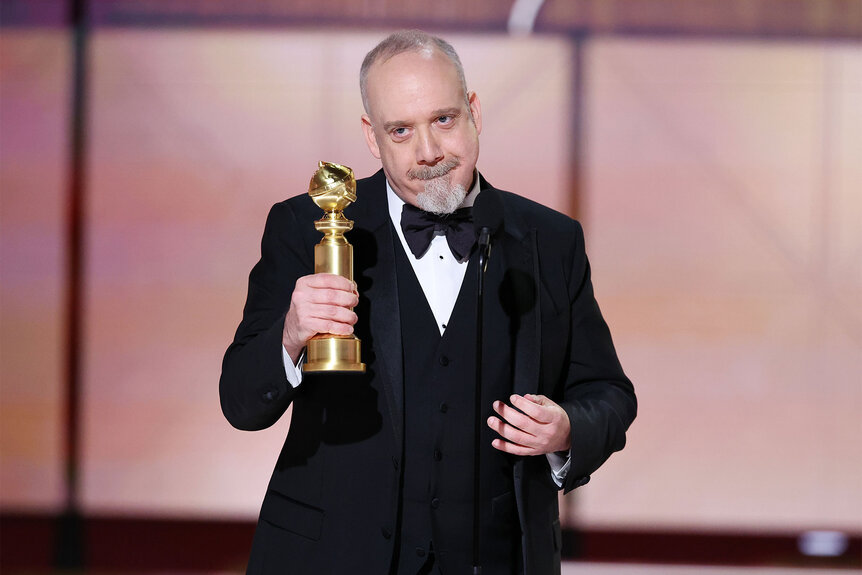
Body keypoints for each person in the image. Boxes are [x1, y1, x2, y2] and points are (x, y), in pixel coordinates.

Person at [220, 29, 636, 575]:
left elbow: (608, 393)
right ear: (372, 137)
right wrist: (288, 336)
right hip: (329, 558)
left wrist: (566, 431)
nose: (429, 152)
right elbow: (241, 402)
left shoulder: (549, 240)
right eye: (401, 130)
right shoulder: (305, 228)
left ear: (474, 112)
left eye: (444, 120)